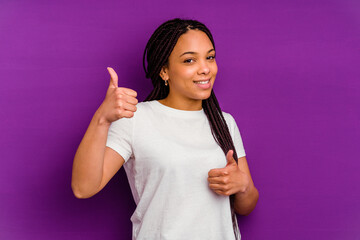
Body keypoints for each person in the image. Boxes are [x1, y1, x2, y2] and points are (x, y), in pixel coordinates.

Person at [71, 18, 259, 240]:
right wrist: (102, 119)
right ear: (164, 71)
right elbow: (83, 188)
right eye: (190, 60)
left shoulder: (224, 122)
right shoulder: (135, 119)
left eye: (209, 57)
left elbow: (245, 207)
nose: (205, 69)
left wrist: (243, 186)